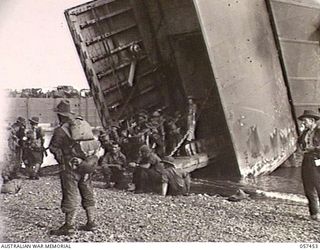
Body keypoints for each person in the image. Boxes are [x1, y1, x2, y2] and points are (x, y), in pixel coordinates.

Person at [49, 100, 100, 235]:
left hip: (70, 167)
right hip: (86, 164)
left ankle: (69, 225)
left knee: (70, 193)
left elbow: (53, 147)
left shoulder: (60, 131)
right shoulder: (82, 126)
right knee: (87, 191)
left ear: (61, 115)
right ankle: (91, 222)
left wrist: (61, 159)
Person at [298, 110, 320, 221]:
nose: (303, 123)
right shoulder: (305, 132)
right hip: (307, 161)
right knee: (308, 188)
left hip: (318, 160)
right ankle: (314, 214)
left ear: (312, 120)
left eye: (305, 121)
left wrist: (314, 149)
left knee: (319, 186)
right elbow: (300, 144)